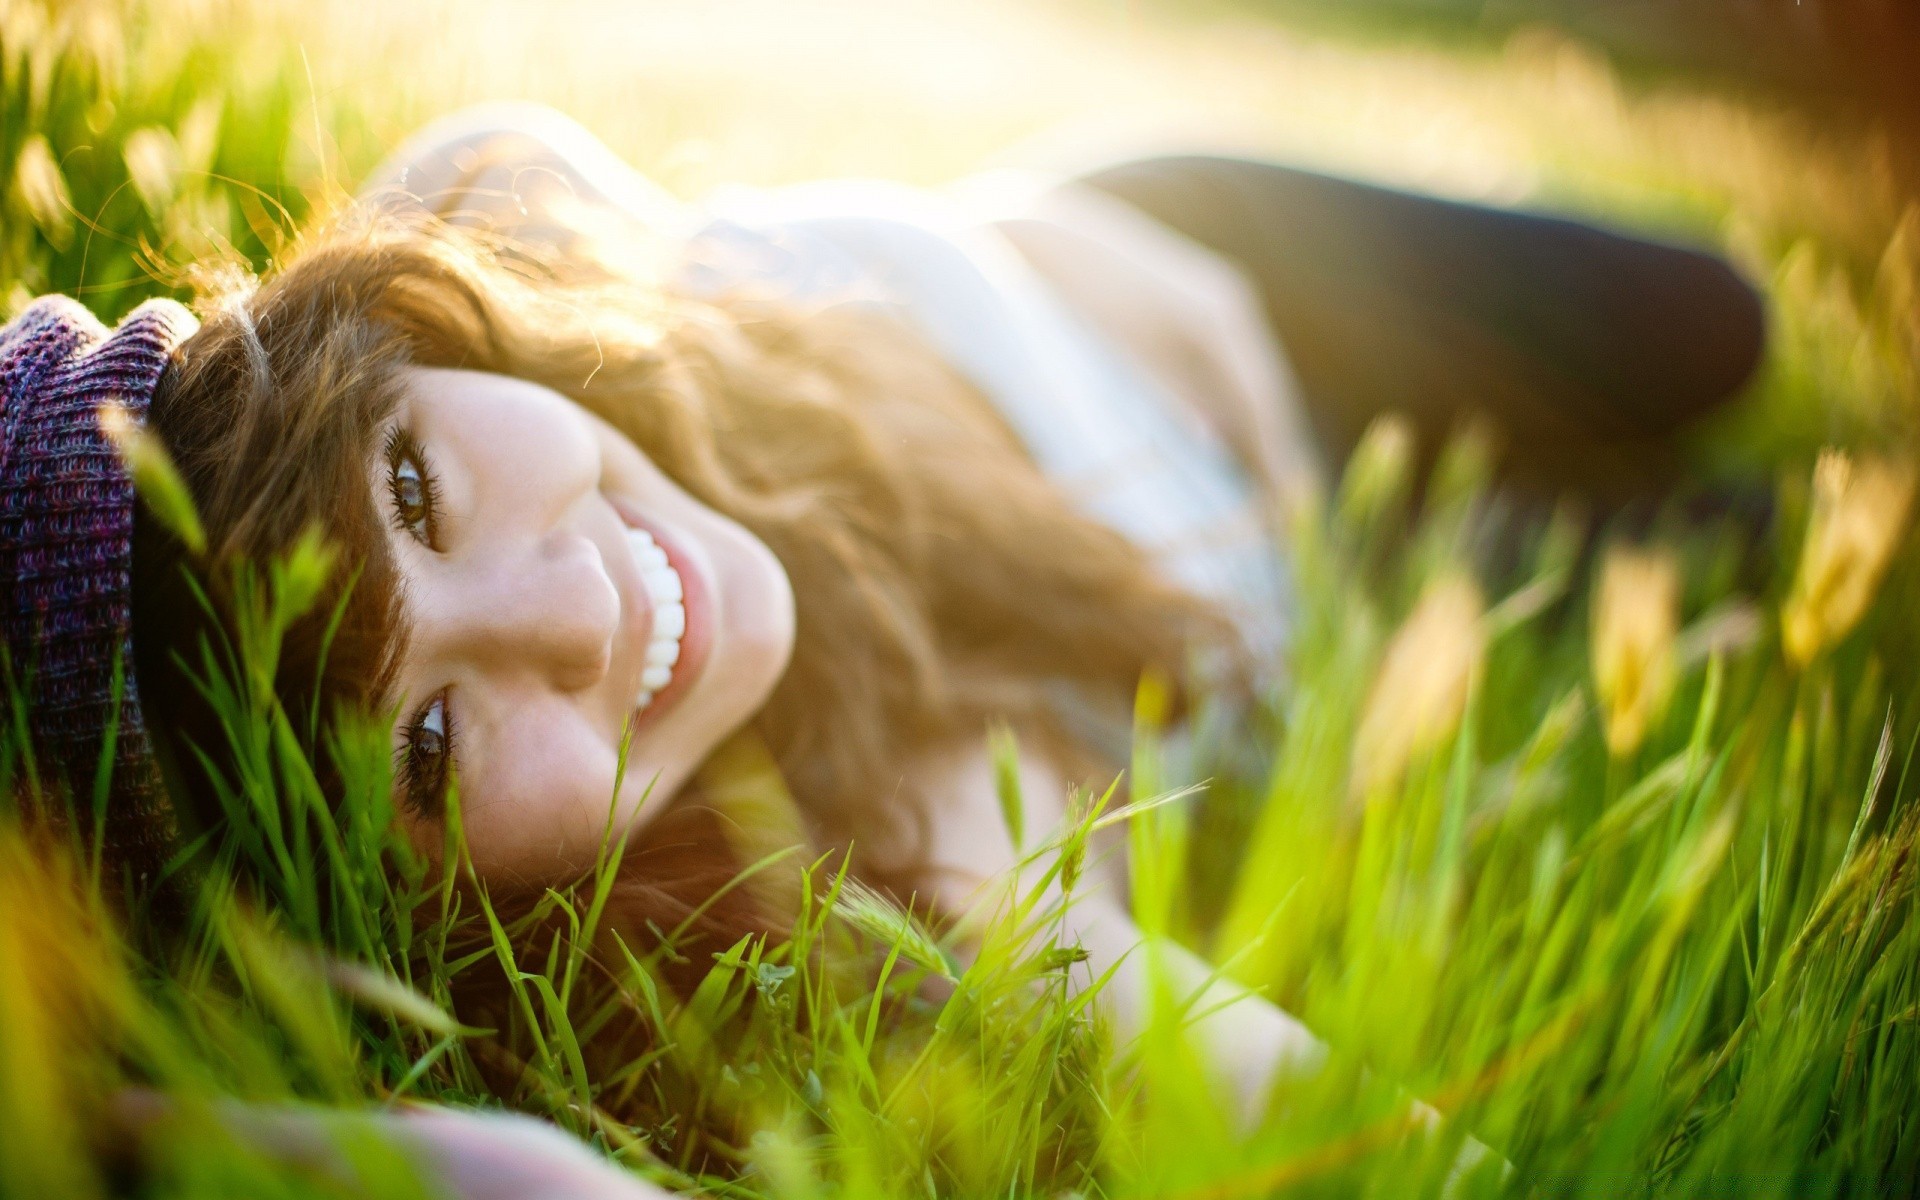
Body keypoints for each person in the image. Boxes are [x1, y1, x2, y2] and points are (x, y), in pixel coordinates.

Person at [0, 104, 1764, 1196]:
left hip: (1188, 277)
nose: (576, 614)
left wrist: (1060, 250)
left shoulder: (485, 213)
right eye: (434, 744)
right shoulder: (857, 893)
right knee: (1737, 544)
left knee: (1721, 324)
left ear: (395, 348)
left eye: (416, 483)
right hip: (1334, 558)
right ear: (391, 903)